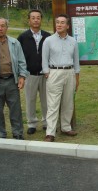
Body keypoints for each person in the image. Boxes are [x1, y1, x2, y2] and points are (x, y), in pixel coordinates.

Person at [42, 14, 80, 142]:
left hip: (70, 72)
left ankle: (65, 127)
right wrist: (47, 72)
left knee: (68, 102)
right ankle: (50, 132)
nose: (59, 24)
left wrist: (77, 77)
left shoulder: (73, 41)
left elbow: (76, 61)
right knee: (53, 104)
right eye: (57, 22)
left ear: (68, 26)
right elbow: (44, 59)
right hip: (54, 72)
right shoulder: (48, 40)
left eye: (62, 22)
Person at [17, 9, 51, 135]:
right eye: (33, 18)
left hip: (45, 75)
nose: (36, 20)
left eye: (38, 17)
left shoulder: (48, 36)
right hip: (29, 74)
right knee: (30, 100)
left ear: (41, 19)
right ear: (29, 20)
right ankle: (31, 123)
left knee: (46, 101)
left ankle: (47, 123)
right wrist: (22, 73)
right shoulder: (23, 37)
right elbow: (18, 56)